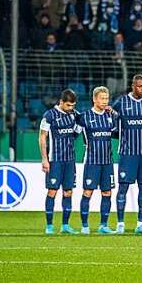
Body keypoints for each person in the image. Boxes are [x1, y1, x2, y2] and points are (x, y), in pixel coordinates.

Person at [112, 74, 142, 234]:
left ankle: (140, 224)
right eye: (140, 86)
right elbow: (112, 122)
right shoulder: (121, 102)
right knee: (123, 188)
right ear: (133, 86)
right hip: (127, 153)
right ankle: (120, 224)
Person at [76, 86, 118, 234]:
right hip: (92, 161)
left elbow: (117, 134)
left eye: (106, 98)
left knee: (107, 193)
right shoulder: (84, 117)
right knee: (88, 192)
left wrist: (116, 114)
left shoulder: (110, 117)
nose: (105, 101)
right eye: (102, 98)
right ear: (94, 99)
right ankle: (85, 226)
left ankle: (103, 226)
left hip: (107, 162)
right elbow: (73, 134)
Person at [39, 89, 81, 235]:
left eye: (73, 105)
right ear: (61, 102)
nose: (71, 108)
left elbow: (76, 133)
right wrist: (44, 159)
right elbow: (42, 137)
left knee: (68, 191)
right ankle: (49, 225)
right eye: (69, 105)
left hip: (70, 160)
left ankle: (65, 225)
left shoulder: (74, 115)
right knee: (52, 191)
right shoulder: (49, 115)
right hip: (54, 160)